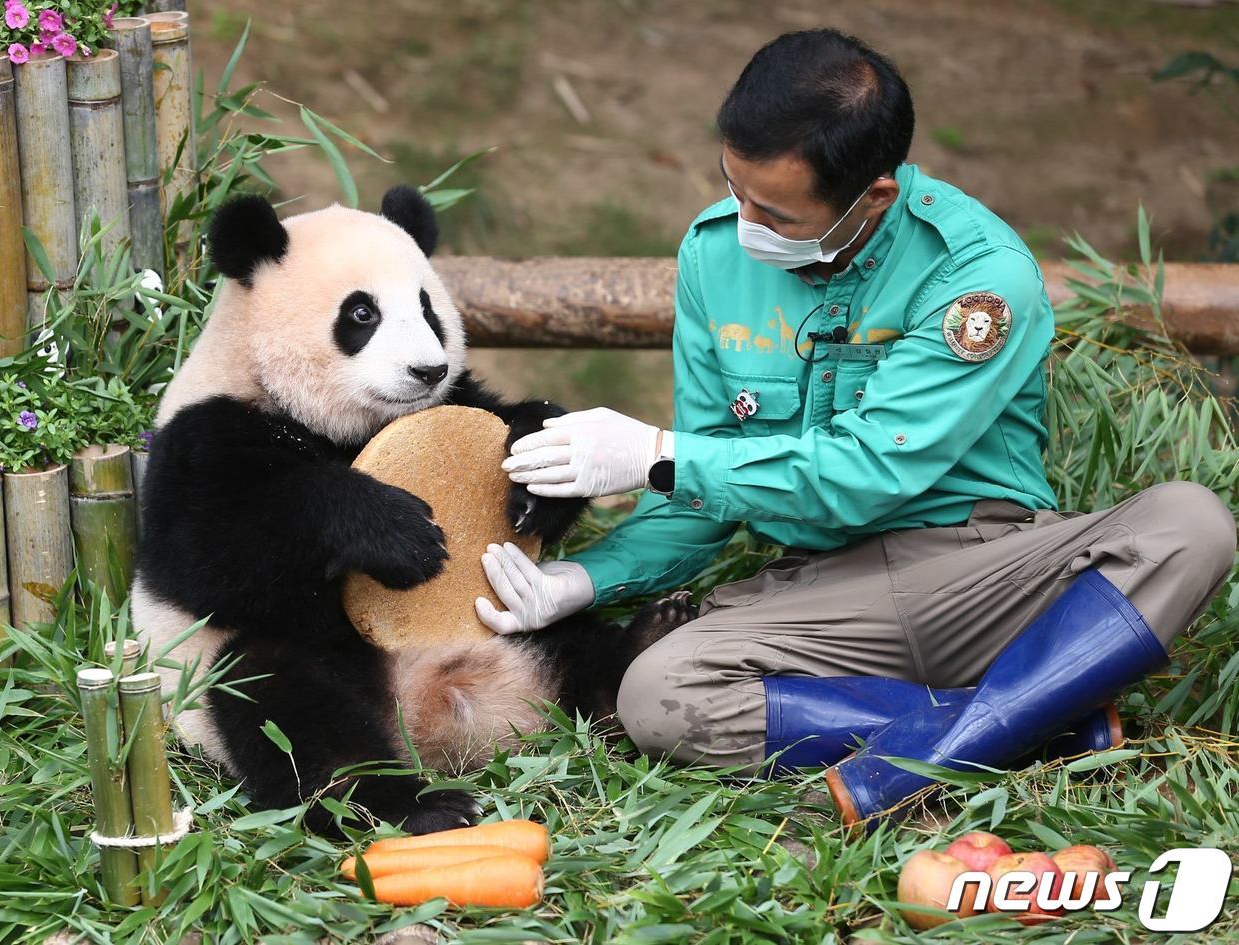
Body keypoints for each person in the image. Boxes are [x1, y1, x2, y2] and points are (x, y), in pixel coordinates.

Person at [472, 28, 1237, 829]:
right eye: (734, 189)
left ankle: (918, 756)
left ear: (873, 196)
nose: (743, 225)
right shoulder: (713, 256)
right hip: (822, 596)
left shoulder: (976, 274)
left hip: (981, 575)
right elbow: (703, 492)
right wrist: (586, 579)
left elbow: (865, 472)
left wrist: (661, 456)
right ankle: (1029, 720)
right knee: (658, 694)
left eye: (773, 211)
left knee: (1191, 524)